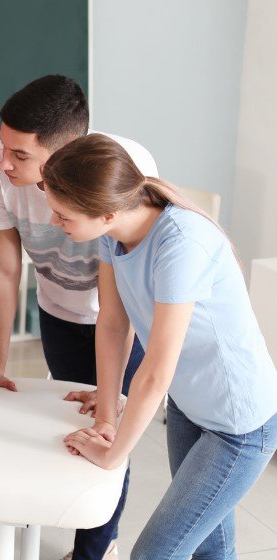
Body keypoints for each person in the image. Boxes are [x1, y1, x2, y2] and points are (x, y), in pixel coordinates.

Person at [43, 134, 277, 560]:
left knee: (154, 553)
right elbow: (113, 324)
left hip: (239, 424)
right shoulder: (112, 233)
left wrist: (115, 454)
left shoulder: (180, 244)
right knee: (210, 546)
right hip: (190, 405)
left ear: (107, 211)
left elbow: (156, 371)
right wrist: (108, 412)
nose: (53, 221)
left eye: (63, 214)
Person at [0, 75, 157, 560]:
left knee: (109, 429)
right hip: (57, 309)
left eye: (21, 155)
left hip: (123, 318)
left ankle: (95, 548)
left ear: (66, 153)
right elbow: (0, 265)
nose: (2, 160)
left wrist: (107, 405)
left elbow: (116, 305)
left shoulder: (122, 170)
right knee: (64, 423)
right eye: (4, 145)